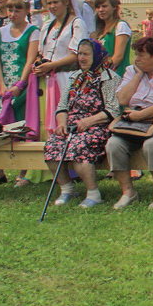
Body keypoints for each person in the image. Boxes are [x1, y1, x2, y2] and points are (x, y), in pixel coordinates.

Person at [105, 37, 153, 209]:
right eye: (136, 55)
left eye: (141, 55)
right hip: (134, 124)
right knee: (113, 144)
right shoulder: (131, 71)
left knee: (152, 145)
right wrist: (138, 75)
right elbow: (122, 99)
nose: (137, 59)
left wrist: (142, 115)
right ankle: (128, 192)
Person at [44, 39, 120, 208]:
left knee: (79, 146)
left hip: (97, 126)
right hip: (72, 127)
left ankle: (93, 193)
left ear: (97, 56)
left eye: (86, 54)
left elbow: (113, 110)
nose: (81, 58)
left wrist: (88, 121)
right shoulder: (75, 77)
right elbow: (62, 106)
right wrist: (62, 124)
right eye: (79, 54)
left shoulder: (109, 77)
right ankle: (67, 189)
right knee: (52, 145)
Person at [0, 0, 40, 180]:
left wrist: (21, 83)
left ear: (26, 11)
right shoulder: (0, 32)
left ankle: (23, 172)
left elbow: (30, 59)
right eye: (10, 10)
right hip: (3, 86)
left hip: (23, 84)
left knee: (21, 124)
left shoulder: (32, 31)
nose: (13, 14)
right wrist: (2, 84)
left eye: (17, 10)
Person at [33, 0, 88, 131]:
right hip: (49, 77)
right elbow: (42, 51)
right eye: (49, 3)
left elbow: (77, 54)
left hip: (68, 76)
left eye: (55, 2)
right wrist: (39, 64)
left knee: (67, 113)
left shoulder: (76, 24)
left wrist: (52, 65)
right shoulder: (47, 26)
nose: (52, 6)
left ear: (66, 3)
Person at [92, 0, 132, 74]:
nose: (100, 10)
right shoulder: (100, 30)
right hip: (102, 75)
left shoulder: (120, 26)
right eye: (98, 7)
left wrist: (101, 72)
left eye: (104, 6)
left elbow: (118, 57)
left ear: (114, 7)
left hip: (117, 75)